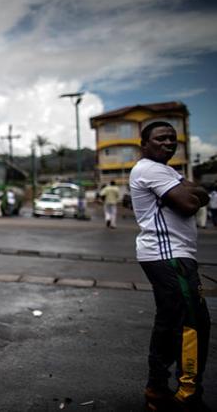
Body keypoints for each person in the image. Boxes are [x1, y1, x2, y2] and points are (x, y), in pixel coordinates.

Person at [129, 121, 211, 412]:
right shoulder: (149, 169)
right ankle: (188, 393)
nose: (168, 143)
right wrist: (193, 194)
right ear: (145, 144)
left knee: (168, 322)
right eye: (160, 138)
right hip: (169, 256)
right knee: (193, 323)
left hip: (170, 256)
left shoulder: (167, 171)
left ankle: (157, 388)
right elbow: (190, 203)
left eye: (172, 139)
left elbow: (195, 194)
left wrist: (193, 193)